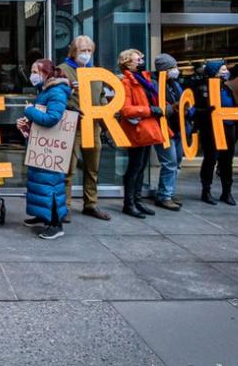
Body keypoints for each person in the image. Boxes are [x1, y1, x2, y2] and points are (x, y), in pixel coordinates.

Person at [56, 35, 112, 222]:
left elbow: (102, 95)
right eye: (82, 50)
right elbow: (54, 95)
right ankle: (65, 207)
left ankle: (91, 204)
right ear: (73, 51)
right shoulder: (62, 70)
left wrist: (106, 120)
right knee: (68, 169)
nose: (86, 54)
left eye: (89, 50)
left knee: (92, 168)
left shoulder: (96, 72)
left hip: (93, 125)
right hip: (72, 126)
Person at [19, 59, 72, 239]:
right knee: (40, 182)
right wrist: (28, 121)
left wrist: (29, 111)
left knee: (51, 184)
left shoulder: (56, 91)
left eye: (35, 71)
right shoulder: (46, 90)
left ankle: (55, 224)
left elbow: (52, 118)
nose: (32, 75)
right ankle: (43, 215)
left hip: (51, 149)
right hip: (43, 148)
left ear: (46, 72)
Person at [117, 49, 167, 219]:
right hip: (137, 129)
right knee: (134, 167)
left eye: (141, 58)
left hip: (147, 129)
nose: (141, 61)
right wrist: (149, 110)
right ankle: (129, 203)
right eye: (137, 59)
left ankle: (137, 201)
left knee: (141, 167)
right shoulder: (126, 82)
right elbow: (126, 109)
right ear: (127, 63)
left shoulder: (144, 79)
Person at [193, 60, 238, 205]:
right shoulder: (202, 88)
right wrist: (205, 111)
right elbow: (194, 110)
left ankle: (227, 192)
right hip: (211, 129)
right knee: (210, 160)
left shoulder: (227, 88)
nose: (226, 71)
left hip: (228, 128)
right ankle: (206, 191)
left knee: (227, 161)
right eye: (223, 69)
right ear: (215, 72)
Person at [152, 53, 185, 211]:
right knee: (170, 162)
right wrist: (174, 108)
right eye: (172, 67)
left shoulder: (174, 84)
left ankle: (168, 192)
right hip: (164, 128)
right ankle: (164, 195)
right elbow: (157, 108)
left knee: (176, 162)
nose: (176, 70)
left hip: (178, 127)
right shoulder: (155, 85)